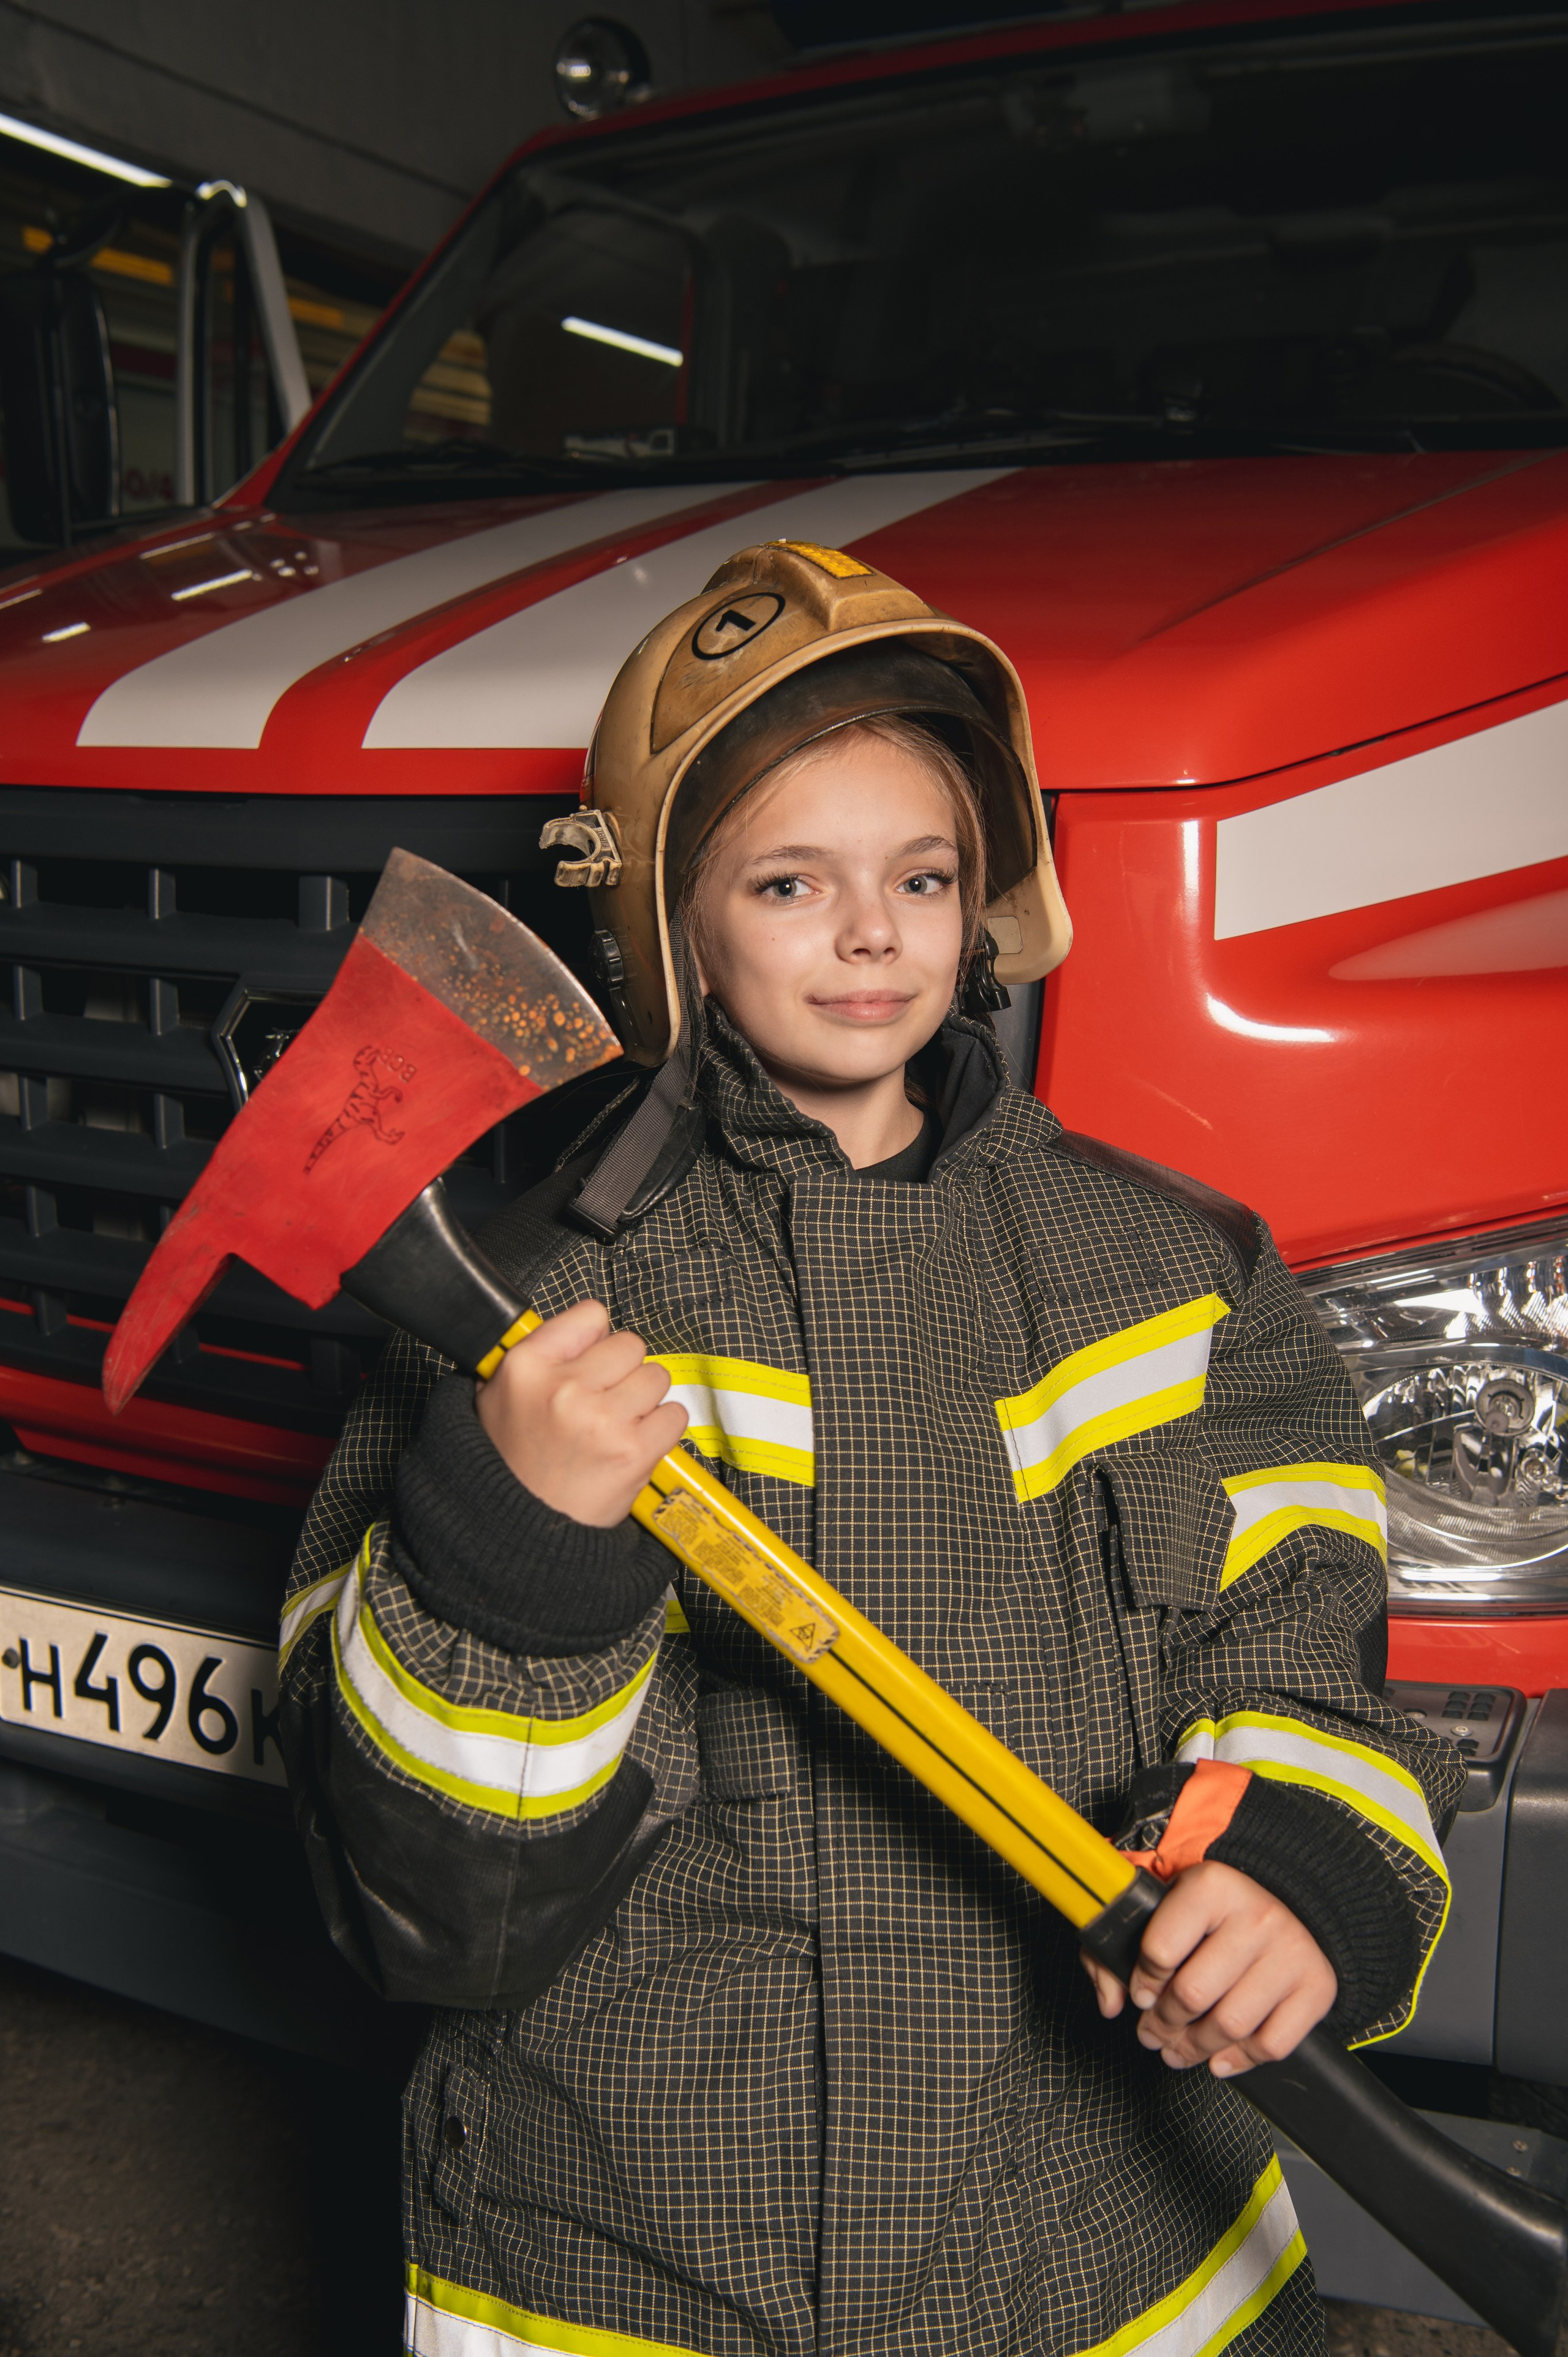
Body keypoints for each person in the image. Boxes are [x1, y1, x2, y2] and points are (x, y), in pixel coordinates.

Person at [279, 540, 1464, 2357]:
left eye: (922, 875)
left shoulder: (1177, 1269)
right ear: (674, 923)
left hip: (1104, 2259)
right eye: (787, 881)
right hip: (636, 2259)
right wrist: (505, 1555)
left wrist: (1291, 1869)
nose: (872, 934)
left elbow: (1304, 1629)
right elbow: (436, 1917)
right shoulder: (518, 1323)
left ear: (988, 901)